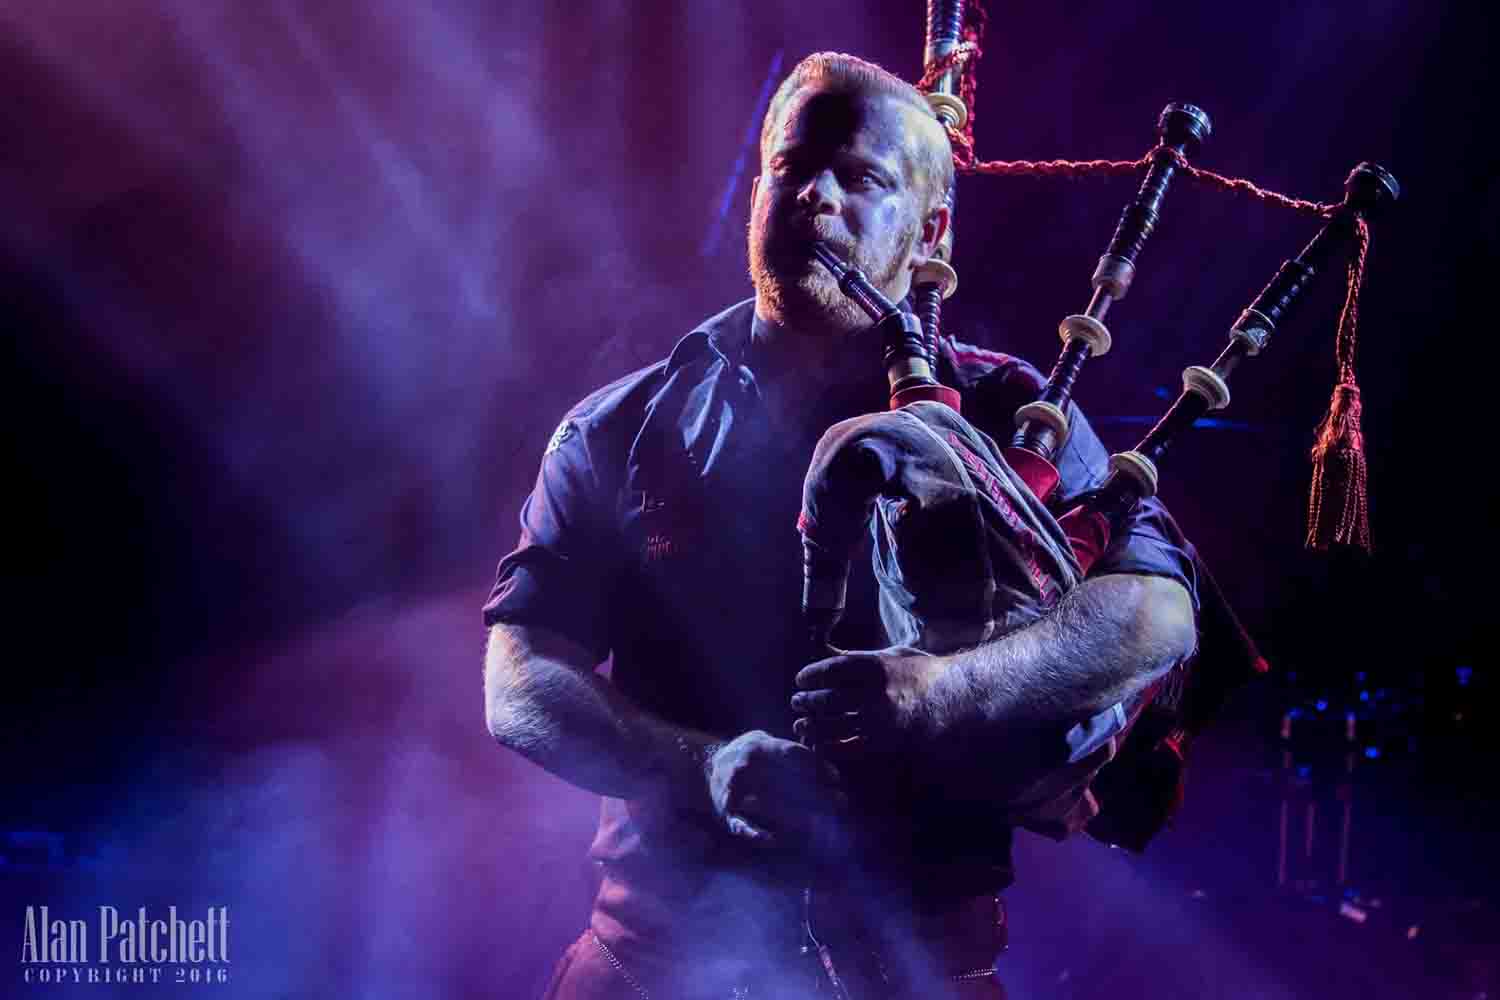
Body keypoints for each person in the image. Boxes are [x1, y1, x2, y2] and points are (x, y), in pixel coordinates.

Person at [484, 52, 1198, 999]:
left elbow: (1156, 612)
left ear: (931, 230)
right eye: (790, 166)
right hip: (652, 966)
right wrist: (701, 767)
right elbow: (518, 680)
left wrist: (944, 693)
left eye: (860, 177)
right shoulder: (623, 425)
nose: (813, 195)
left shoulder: (1008, 411)